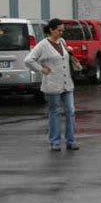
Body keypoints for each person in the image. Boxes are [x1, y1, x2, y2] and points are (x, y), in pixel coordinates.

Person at [24, 18, 79, 151]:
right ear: (51, 30)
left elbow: (64, 58)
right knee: (55, 112)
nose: (61, 33)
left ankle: (70, 141)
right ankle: (54, 141)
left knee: (70, 111)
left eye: (62, 30)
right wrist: (41, 69)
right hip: (52, 84)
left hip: (67, 83)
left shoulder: (62, 42)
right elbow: (28, 60)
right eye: (59, 30)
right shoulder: (43, 45)